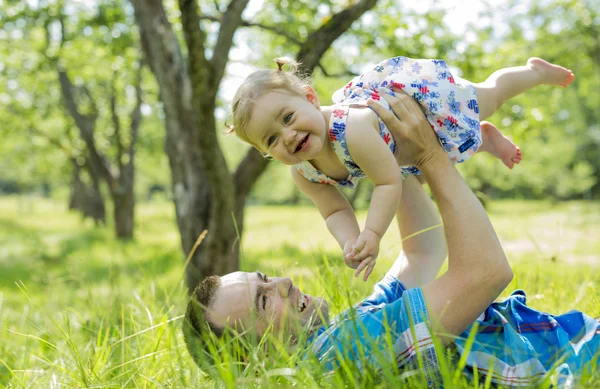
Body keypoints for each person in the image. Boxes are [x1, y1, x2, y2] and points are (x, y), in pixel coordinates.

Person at [187, 90, 598, 389]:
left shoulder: (340, 334)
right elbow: (485, 274)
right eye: (263, 300)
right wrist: (430, 158)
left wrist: (382, 155)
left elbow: (422, 251)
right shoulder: (341, 352)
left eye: (263, 277)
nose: (282, 283)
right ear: (250, 364)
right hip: (581, 360)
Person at [228, 56, 575, 280]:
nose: (287, 136)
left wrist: (374, 234)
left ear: (310, 99)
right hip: (402, 152)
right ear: (265, 153)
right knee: (422, 170)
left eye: (288, 118)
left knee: (489, 97)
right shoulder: (303, 172)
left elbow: (387, 182)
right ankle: (481, 140)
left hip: (425, 103)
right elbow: (333, 209)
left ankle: (532, 73)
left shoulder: (352, 129)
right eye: (271, 140)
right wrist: (351, 241)